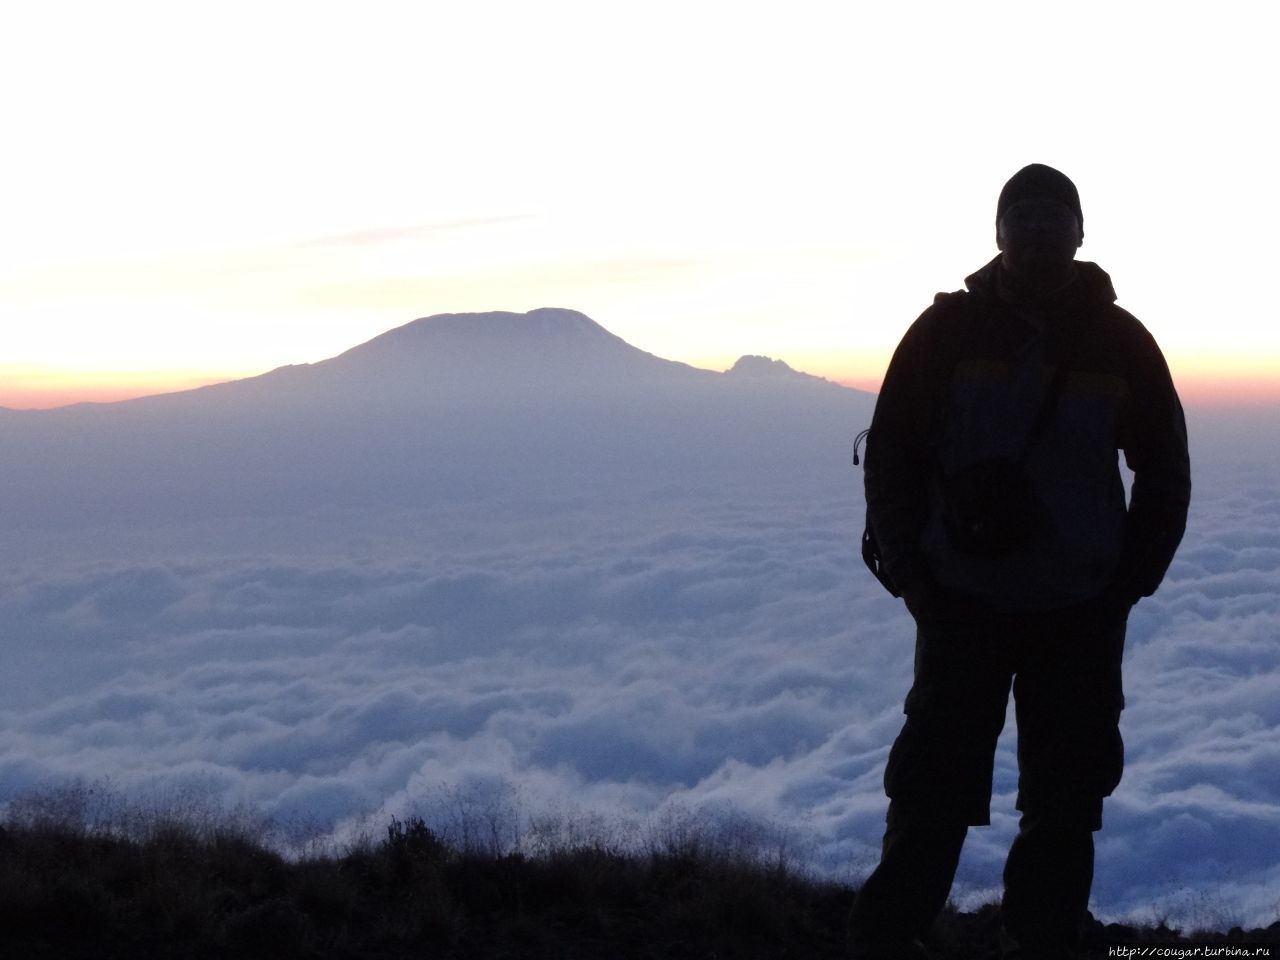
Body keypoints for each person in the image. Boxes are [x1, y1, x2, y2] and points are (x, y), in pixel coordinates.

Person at [850, 164, 1191, 960]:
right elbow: (891, 454)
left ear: (1080, 232)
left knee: (1066, 794)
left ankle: (1042, 935)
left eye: (1053, 218)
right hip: (961, 602)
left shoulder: (1121, 341)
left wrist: (1125, 585)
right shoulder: (945, 334)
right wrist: (915, 576)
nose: (1038, 231)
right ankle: (887, 936)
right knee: (933, 784)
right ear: (997, 232)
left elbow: (1165, 469)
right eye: (1023, 217)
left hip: (1077, 607)